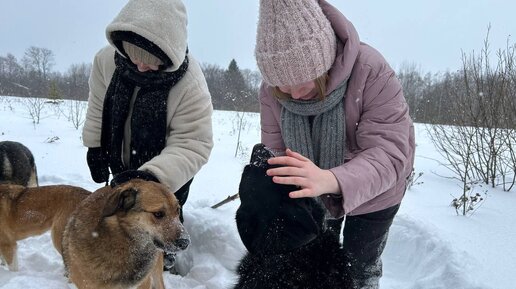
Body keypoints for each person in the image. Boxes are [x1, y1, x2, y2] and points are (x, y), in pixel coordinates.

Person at [254, 0, 415, 288]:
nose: (292, 93)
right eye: (282, 85)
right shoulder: (271, 93)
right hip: (310, 195)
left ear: (323, 60)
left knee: (358, 269)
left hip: (377, 193)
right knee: (316, 266)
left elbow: (390, 154)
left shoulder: (371, 71)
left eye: (302, 80)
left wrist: (329, 178)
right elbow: (276, 153)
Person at [82, 0, 213, 271]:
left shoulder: (190, 84)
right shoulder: (105, 60)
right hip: (120, 152)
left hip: (168, 169)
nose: (141, 67)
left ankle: (165, 251)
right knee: (125, 209)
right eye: (134, 56)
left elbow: (193, 143)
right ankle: (122, 244)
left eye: (151, 61)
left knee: (161, 210)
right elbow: (97, 104)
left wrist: (153, 177)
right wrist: (94, 146)